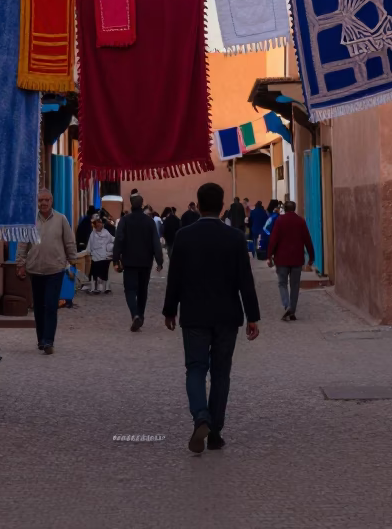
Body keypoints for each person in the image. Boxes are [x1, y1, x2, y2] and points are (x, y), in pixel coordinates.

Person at [163, 182, 260, 453]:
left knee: (195, 368)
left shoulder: (184, 236)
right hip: (227, 316)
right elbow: (245, 281)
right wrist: (253, 315)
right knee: (220, 373)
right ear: (222, 206)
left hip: (194, 315)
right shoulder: (235, 238)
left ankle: (200, 417)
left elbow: (175, 279)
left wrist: (170, 309)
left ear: (199, 203)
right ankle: (215, 431)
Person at [17, 188, 77, 354]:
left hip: (55, 269)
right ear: (37, 202)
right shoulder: (30, 221)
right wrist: (20, 264)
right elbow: (23, 244)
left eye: (46, 200)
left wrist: (72, 259)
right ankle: (41, 339)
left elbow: (69, 241)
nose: (43, 203)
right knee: (39, 306)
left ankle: (48, 341)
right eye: (40, 200)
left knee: (51, 305)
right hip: (35, 270)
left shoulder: (61, 219)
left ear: (51, 201)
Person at [112, 193, 164, 331]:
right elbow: (155, 242)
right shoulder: (149, 222)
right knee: (142, 290)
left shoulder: (125, 220)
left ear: (131, 204)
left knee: (129, 289)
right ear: (142, 204)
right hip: (145, 262)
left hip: (129, 261)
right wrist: (159, 260)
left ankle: (135, 314)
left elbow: (119, 239)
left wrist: (115, 258)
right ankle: (140, 315)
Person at [266, 201, 315, 321]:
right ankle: (292, 310)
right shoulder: (300, 221)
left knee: (282, 283)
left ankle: (287, 305)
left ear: (285, 209)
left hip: (281, 259)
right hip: (297, 259)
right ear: (295, 208)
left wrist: (269, 256)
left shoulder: (280, 221)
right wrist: (311, 257)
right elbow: (307, 239)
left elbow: (273, 239)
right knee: (295, 285)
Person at [86, 213, 115, 294]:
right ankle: (95, 288)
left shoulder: (106, 233)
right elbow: (90, 245)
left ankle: (106, 288)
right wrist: (89, 253)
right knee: (95, 272)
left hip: (105, 256)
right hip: (96, 256)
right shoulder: (93, 234)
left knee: (105, 272)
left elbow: (112, 240)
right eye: (97, 224)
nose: (99, 225)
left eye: (100, 223)